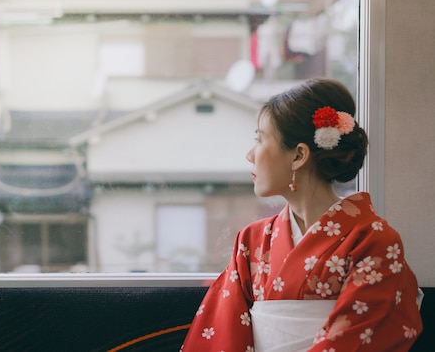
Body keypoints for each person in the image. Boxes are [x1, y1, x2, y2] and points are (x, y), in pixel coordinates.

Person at [181, 78, 423, 351]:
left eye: (260, 139)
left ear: (298, 156)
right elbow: (223, 329)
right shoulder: (252, 240)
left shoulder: (373, 240)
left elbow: (357, 338)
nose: (250, 155)